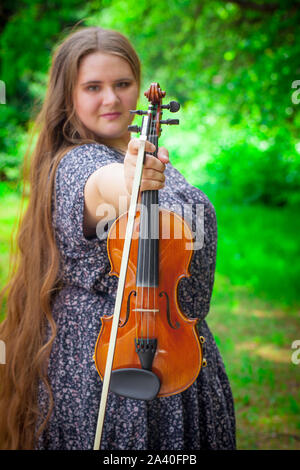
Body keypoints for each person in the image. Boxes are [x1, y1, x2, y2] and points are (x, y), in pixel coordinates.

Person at [0, 26, 236, 450]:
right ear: (67, 97)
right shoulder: (77, 163)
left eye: (122, 84)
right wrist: (130, 181)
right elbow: (104, 186)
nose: (111, 99)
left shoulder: (141, 150)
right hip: (116, 367)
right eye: (93, 87)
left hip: (179, 349)